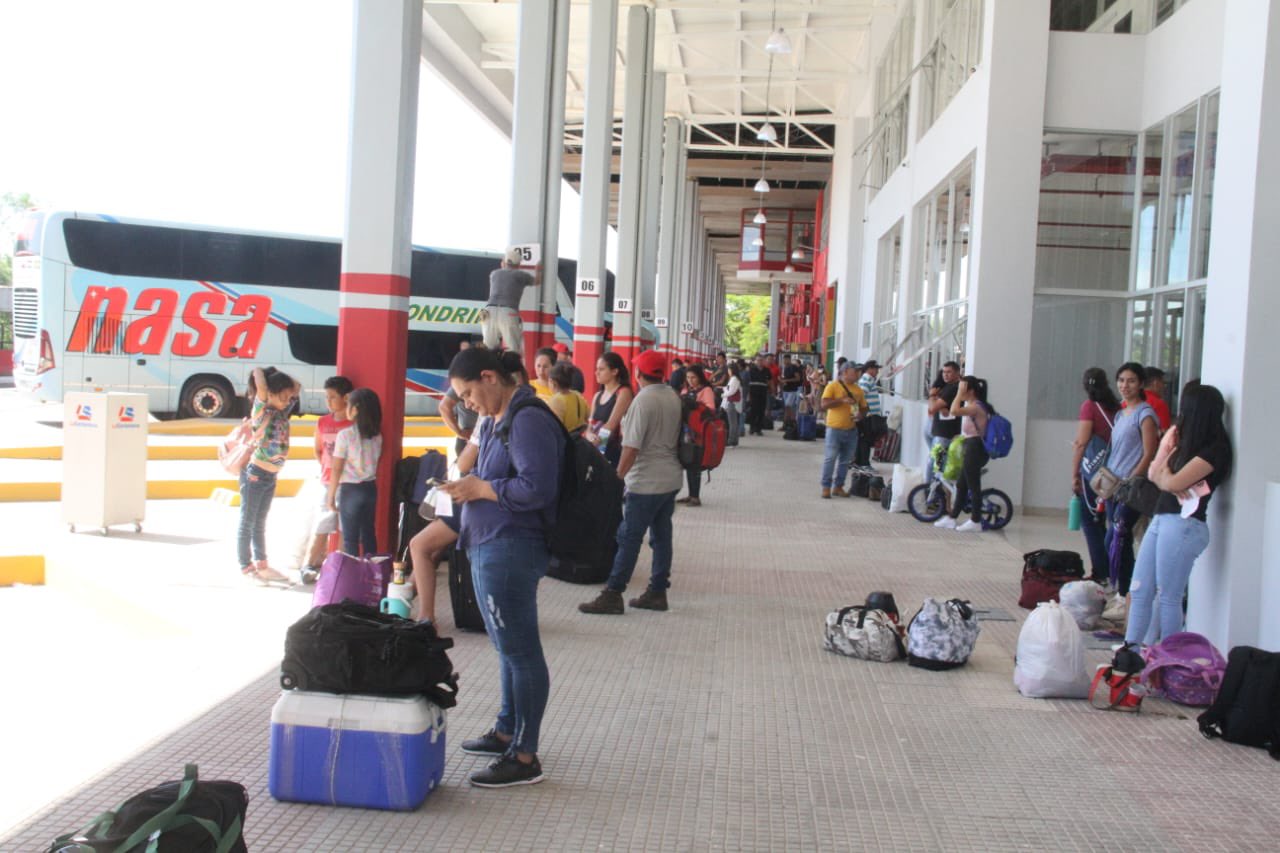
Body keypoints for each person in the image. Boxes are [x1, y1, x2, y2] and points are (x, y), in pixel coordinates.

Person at [439, 347, 562, 788]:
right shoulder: (495, 419)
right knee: (507, 648)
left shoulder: (527, 418)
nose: (467, 403)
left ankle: (525, 756)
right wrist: (467, 488)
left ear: (490, 377)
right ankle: (508, 728)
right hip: (489, 543)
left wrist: (481, 489)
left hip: (511, 548)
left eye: (468, 393)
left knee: (521, 652)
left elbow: (537, 488)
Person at [1125, 381, 1232, 646]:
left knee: (1168, 596)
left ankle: (1168, 661)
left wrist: (1168, 480)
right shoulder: (1182, 443)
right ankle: (1131, 654)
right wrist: (1167, 471)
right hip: (1163, 518)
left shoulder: (1215, 450)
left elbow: (1172, 482)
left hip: (1184, 525)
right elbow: (1156, 474)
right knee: (1139, 589)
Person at [579, 349, 683, 616]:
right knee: (662, 537)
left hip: (645, 482)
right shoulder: (672, 396)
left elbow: (631, 446)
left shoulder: (642, 401)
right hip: (670, 478)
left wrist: (618, 477)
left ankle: (613, 593)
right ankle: (658, 591)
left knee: (629, 537)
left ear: (638, 374)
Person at [238, 366, 300, 583]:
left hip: (270, 476)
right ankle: (246, 567)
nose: (286, 401)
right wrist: (263, 372)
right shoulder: (261, 411)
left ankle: (262, 565)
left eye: (287, 397)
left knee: (259, 522)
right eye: (281, 397)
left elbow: (297, 386)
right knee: (248, 522)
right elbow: (260, 382)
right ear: (269, 394)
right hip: (255, 474)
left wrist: (278, 376)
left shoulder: (282, 412)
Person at [1103, 362, 1160, 600]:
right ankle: (1122, 590)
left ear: (1141, 384)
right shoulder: (1120, 414)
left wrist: (1132, 478)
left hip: (1132, 488)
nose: (1125, 386)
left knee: (1120, 537)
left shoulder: (1145, 414)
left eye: (1131, 381)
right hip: (1112, 485)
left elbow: (1149, 452)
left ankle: (1127, 592)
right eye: (1122, 380)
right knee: (1113, 540)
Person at [1071, 367, 1122, 584]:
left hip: (1093, 474)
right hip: (1114, 472)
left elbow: (1082, 443)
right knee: (1107, 521)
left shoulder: (1089, 407)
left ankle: (1101, 571)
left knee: (1091, 521)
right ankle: (1112, 569)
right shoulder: (1116, 407)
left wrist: (1074, 474)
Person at [300, 375, 352, 584]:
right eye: (327, 397)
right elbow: (318, 450)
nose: (328, 401)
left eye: (332, 397)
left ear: (346, 398)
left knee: (342, 527)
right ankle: (309, 564)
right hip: (327, 480)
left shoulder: (352, 424)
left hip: (347, 481)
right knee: (323, 523)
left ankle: (337, 566)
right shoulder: (322, 422)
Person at [328, 388, 384, 556]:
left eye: (349, 405)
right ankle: (372, 573)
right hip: (370, 488)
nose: (347, 408)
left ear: (356, 409)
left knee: (350, 539)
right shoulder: (377, 436)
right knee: (368, 534)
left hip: (350, 490)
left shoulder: (345, 435)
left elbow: (337, 468)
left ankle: (352, 577)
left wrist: (331, 496)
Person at [934, 376, 990, 532]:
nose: (960, 391)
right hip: (969, 446)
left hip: (975, 448)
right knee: (961, 485)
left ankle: (976, 520)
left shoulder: (976, 406)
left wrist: (958, 393)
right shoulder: (973, 405)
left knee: (973, 485)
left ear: (970, 391)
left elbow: (953, 410)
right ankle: (952, 517)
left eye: (962, 388)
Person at [819, 361, 867, 499]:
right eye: (855, 371)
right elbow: (824, 404)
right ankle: (826, 487)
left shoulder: (858, 389)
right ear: (845, 372)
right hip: (834, 429)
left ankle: (839, 486)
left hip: (851, 429)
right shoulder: (833, 386)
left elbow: (864, 407)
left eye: (859, 371)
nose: (858, 374)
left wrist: (861, 414)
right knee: (830, 458)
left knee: (845, 461)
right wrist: (842, 400)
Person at [481, 248, 534, 355]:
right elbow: (535, 281)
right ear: (518, 264)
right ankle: (512, 369)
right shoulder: (521, 275)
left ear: (504, 262)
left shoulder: (494, 274)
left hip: (489, 310)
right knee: (512, 349)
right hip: (508, 311)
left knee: (488, 348)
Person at [677, 365, 716, 507]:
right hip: (685, 432)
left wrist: (695, 405)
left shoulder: (706, 390)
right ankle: (691, 494)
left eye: (693, 377)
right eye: (688, 377)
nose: (690, 380)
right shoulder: (686, 390)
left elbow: (711, 410)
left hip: (699, 434)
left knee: (695, 464)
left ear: (700, 376)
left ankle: (695, 496)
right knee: (688, 462)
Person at [585, 352, 633, 466]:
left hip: (614, 453)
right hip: (596, 451)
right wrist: (589, 435)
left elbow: (611, 425)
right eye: (597, 369)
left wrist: (595, 442)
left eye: (601, 369)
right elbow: (589, 425)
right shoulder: (597, 395)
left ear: (614, 371)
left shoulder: (623, 393)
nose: (596, 373)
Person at [925, 361, 962, 482]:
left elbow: (931, 408)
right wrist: (939, 405)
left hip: (945, 433)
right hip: (936, 429)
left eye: (949, 372)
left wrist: (932, 396)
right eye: (944, 372)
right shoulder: (946, 386)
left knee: (933, 462)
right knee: (935, 462)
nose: (945, 375)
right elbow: (935, 408)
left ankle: (929, 491)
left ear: (957, 373)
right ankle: (934, 491)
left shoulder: (954, 388)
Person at [854, 361, 885, 469]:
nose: (877, 371)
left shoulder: (866, 379)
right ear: (870, 369)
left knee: (863, 439)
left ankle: (858, 462)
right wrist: (863, 412)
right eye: (876, 369)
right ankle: (864, 463)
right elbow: (861, 395)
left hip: (867, 414)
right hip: (868, 415)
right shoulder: (867, 379)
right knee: (866, 440)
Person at [547, 362, 589, 433]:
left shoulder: (556, 400)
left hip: (565, 441)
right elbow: (588, 416)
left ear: (553, 382)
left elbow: (554, 429)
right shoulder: (578, 395)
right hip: (578, 440)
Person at [746, 354, 772, 436]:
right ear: (755, 361)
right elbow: (747, 382)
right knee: (753, 410)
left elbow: (770, 381)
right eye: (758, 360)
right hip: (753, 393)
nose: (760, 362)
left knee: (761, 411)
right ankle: (752, 428)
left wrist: (772, 390)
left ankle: (759, 429)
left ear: (763, 361)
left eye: (761, 360)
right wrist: (748, 394)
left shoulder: (767, 370)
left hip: (763, 393)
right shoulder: (751, 370)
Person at [1141, 366, 1173, 432]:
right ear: (1156, 383)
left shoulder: (1128, 402)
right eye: (1163, 383)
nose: (1164, 387)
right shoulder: (1158, 404)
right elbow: (1164, 433)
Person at [722, 362, 743, 447]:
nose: (728, 371)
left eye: (729, 369)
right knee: (734, 423)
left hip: (732, 403)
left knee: (732, 423)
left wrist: (723, 394)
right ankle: (734, 440)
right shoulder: (736, 378)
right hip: (734, 403)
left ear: (731, 370)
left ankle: (731, 440)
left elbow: (731, 391)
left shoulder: (734, 379)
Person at [780, 355, 804, 425]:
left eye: (786, 359)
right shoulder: (785, 368)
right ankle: (788, 423)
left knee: (788, 406)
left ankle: (790, 422)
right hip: (785, 390)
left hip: (792, 390)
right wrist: (782, 381)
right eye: (783, 360)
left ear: (789, 359)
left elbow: (798, 378)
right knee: (787, 407)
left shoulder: (793, 367)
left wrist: (786, 380)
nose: (784, 361)